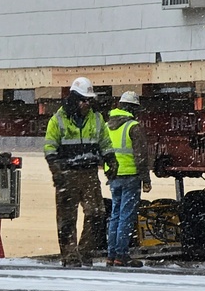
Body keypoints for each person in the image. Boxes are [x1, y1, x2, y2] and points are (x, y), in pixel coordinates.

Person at [43, 77, 113, 267]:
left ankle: (84, 252)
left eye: (89, 100)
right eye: (84, 100)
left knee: (97, 214)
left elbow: (105, 143)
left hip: (89, 173)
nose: (87, 104)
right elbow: (50, 148)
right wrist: (56, 171)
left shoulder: (96, 118)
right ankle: (70, 256)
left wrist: (111, 161)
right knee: (67, 218)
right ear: (74, 99)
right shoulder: (57, 120)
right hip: (67, 174)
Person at [105, 91, 153, 267]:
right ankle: (121, 255)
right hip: (130, 176)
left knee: (115, 215)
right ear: (133, 108)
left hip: (114, 176)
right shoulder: (133, 126)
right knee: (126, 216)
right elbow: (141, 156)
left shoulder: (107, 125)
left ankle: (111, 255)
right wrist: (146, 179)